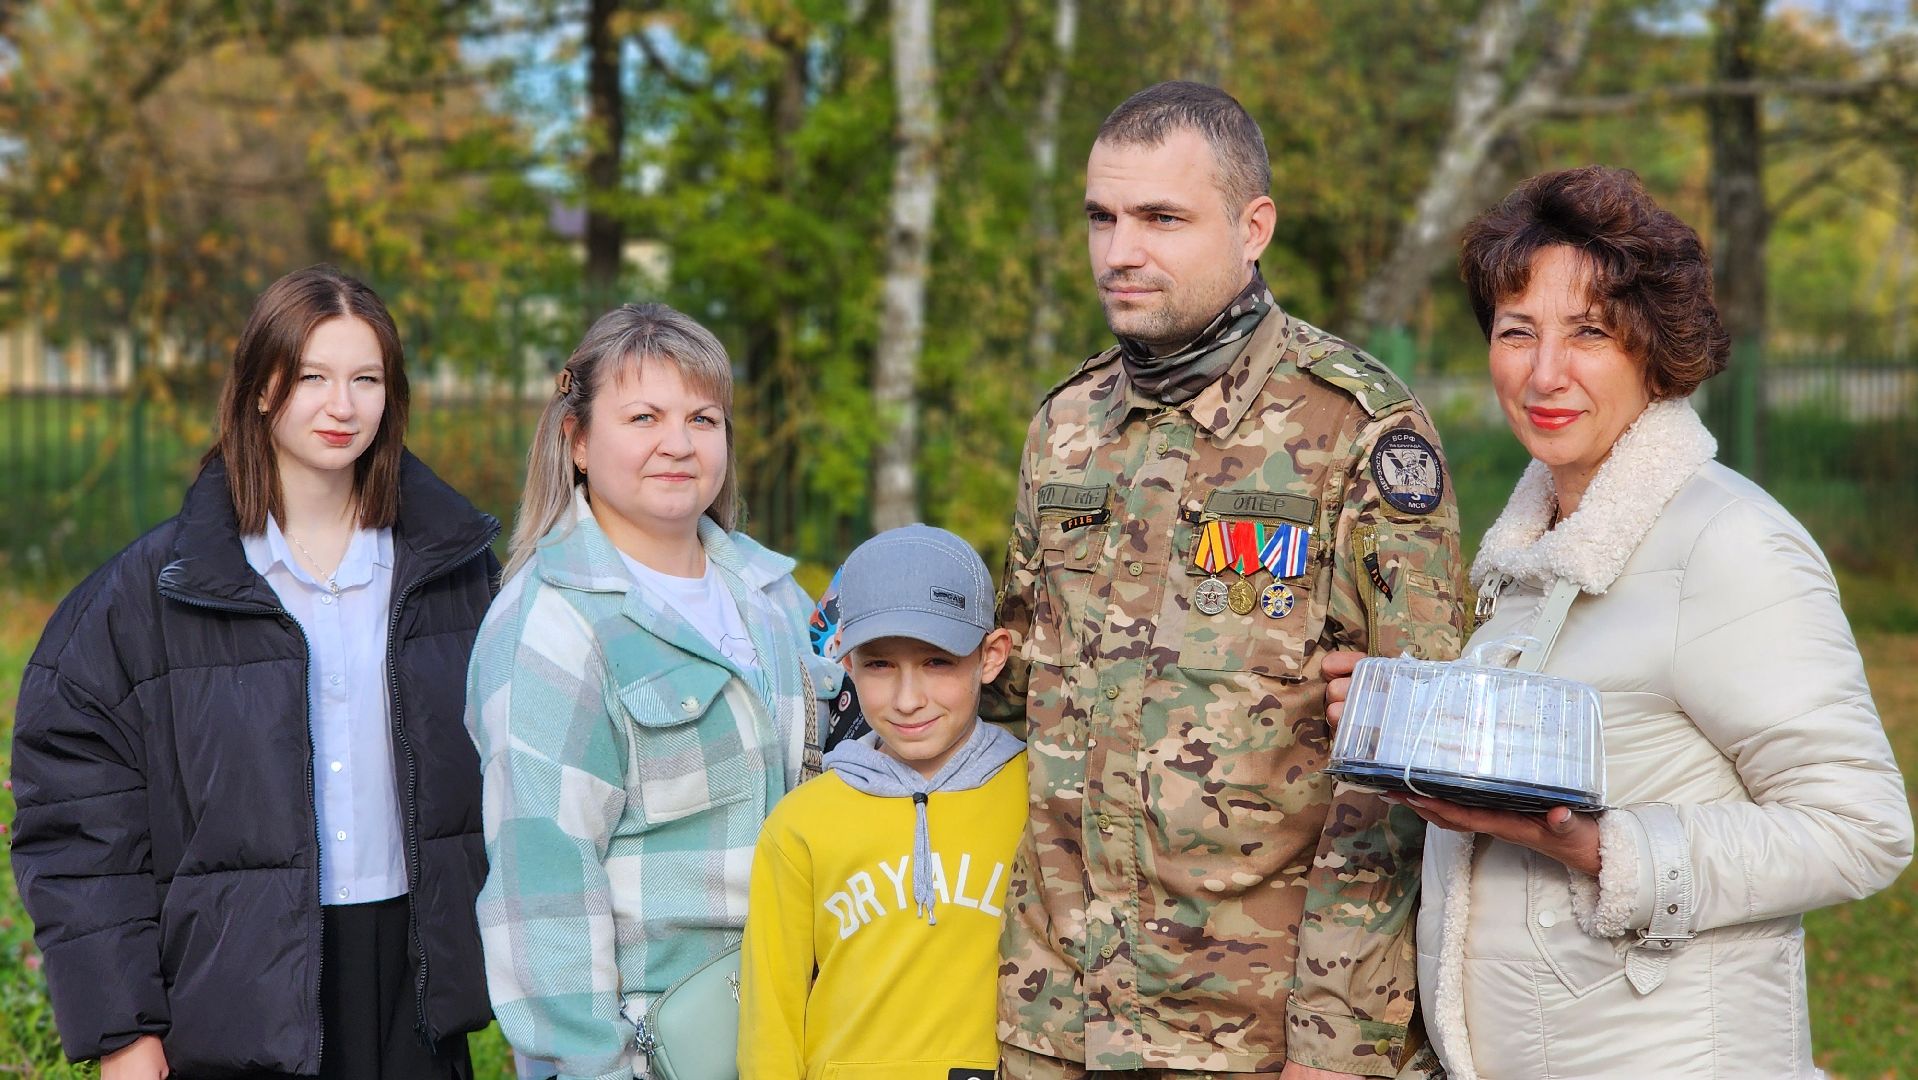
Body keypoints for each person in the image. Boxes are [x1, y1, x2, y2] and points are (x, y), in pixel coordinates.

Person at [1327, 165, 1913, 1078]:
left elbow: (1862, 829)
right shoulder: (1532, 555)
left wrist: (1604, 848)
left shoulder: (1729, 541)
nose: (1544, 372)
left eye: (1588, 333)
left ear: (1654, 346)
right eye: (1517, 332)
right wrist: (1408, 722)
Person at [984, 81, 1466, 1080]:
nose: (1119, 251)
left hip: (1249, 1033)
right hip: (1052, 1015)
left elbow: (1406, 769)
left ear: (1254, 227)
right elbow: (1017, 694)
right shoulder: (1066, 428)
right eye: (1102, 217)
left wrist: (1339, 1047)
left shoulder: (1357, 430)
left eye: (1162, 217)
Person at [10, 265, 499, 1079]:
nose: (342, 406)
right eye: (312, 376)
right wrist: (123, 1033)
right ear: (260, 387)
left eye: (366, 379)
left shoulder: (457, 574)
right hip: (233, 993)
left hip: (415, 984)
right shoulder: (149, 593)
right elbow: (77, 822)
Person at [466, 302, 836, 1080]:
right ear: (576, 441)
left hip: (802, 1032)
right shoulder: (550, 626)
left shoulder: (773, 596)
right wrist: (592, 1067)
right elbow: (544, 892)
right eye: (643, 416)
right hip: (655, 1056)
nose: (679, 443)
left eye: (703, 418)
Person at [739, 524, 1025, 1080]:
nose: (908, 699)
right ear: (846, 662)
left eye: (938, 662)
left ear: (991, 657)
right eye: (880, 665)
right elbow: (769, 1014)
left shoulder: (1038, 801)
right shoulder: (802, 823)